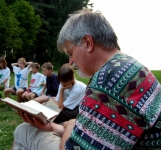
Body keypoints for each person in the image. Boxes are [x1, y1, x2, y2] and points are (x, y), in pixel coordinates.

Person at [12, 8, 161, 150]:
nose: (70, 61)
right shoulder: (127, 65)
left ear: (88, 43)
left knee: (23, 130)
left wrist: (70, 124)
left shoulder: (107, 81)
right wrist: (52, 127)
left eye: (70, 52)